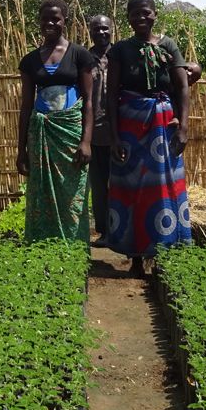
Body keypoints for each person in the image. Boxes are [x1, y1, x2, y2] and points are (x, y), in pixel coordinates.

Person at [106, 0, 193, 275]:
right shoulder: (119, 50)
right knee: (132, 187)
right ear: (128, 18)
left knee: (163, 187)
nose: (140, 18)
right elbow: (112, 93)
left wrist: (183, 127)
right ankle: (135, 256)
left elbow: (181, 88)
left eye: (145, 13)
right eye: (134, 14)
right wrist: (115, 135)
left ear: (155, 14)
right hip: (131, 125)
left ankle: (164, 252)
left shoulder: (169, 46)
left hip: (163, 126)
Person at [17, 0, 96, 241]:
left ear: (65, 21)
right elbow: (26, 106)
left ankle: (73, 249)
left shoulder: (79, 55)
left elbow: (89, 102)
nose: (50, 23)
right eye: (45, 19)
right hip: (41, 134)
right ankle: (42, 247)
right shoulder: (30, 61)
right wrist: (22, 150)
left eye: (56, 18)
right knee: (40, 192)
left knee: (72, 192)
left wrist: (86, 141)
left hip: (70, 134)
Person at [87, 14, 114, 246]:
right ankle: (104, 232)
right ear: (90, 32)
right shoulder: (84, 59)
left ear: (112, 30)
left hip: (118, 132)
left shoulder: (120, 56)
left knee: (119, 184)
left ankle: (121, 230)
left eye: (105, 28)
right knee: (98, 185)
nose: (101, 33)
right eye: (97, 29)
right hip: (93, 132)